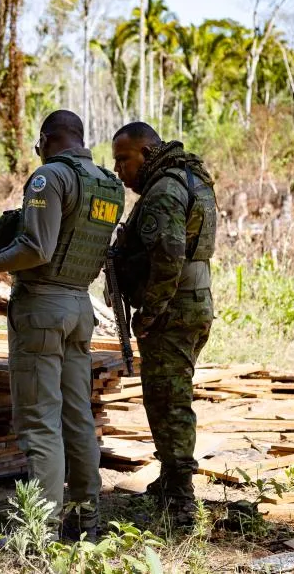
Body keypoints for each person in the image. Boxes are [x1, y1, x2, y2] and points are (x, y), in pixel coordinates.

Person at [0, 109, 125, 540]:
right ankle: (87, 519)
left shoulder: (50, 178)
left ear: (47, 139)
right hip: (79, 308)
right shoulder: (109, 185)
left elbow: (37, 248)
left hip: (42, 308)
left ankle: (40, 530)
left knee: (41, 420)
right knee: (77, 416)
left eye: (38, 144)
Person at [109, 121, 217, 529]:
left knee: (168, 400)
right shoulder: (189, 178)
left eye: (124, 158)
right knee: (169, 394)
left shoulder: (163, 192)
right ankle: (171, 478)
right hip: (192, 302)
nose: (119, 170)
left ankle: (181, 500)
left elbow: (169, 257)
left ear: (147, 151)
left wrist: (150, 312)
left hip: (172, 310)